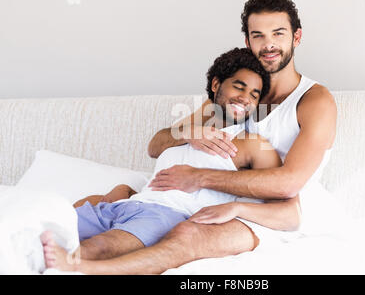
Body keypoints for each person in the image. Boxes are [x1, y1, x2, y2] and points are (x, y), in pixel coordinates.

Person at [40, 47, 301, 273]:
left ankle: (71, 266)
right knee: (39, 227)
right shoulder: (188, 128)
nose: (245, 98)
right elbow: (154, 145)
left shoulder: (254, 145)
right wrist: (188, 133)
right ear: (216, 85)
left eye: (255, 95)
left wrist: (236, 209)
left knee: (98, 247)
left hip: (165, 215)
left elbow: (289, 211)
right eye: (239, 86)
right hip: (127, 206)